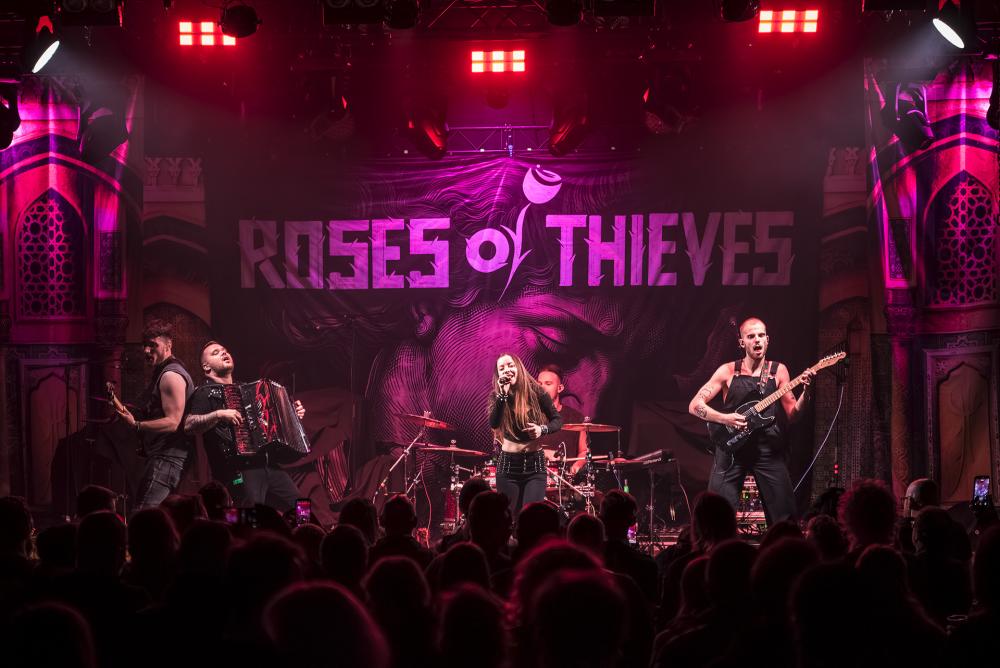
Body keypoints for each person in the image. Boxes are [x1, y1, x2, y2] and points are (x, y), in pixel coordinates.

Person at [688, 317, 814, 524]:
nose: (757, 340)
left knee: (785, 516)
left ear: (767, 340)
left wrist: (807, 392)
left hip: (767, 449)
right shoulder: (728, 370)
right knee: (715, 514)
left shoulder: (778, 371)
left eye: (761, 335)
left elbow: (793, 415)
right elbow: (695, 405)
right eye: (751, 336)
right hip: (731, 449)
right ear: (742, 342)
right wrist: (725, 418)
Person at [182, 341, 306, 512]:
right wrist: (218, 414)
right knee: (249, 518)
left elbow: (269, 421)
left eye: (225, 350)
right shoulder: (204, 392)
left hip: (267, 464)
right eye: (216, 353)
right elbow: (188, 425)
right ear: (206, 366)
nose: (224, 353)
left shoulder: (247, 389)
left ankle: (305, 530)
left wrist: (291, 414)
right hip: (239, 469)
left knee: (302, 509)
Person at [114, 320, 195, 511]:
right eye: (145, 345)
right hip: (166, 457)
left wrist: (136, 425)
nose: (146, 350)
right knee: (162, 518)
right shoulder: (163, 373)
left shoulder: (170, 376)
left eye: (153, 345)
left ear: (168, 345)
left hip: (167, 458)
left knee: (143, 516)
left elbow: (173, 422)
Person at [488, 353, 563, 516]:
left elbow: (557, 420)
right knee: (508, 517)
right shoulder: (497, 396)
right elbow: (494, 423)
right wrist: (503, 395)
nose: (507, 370)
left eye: (510, 365)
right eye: (502, 368)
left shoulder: (537, 392)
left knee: (531, 516)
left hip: (534, 466)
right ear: (498, 375)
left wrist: (542, 429)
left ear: (519, 368)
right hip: (508, 466)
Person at [534, 364, 589, 475]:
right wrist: (544, 453)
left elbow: (584, 451)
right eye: (539, 384)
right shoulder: (528, 416)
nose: (542, 388)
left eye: (548, 384)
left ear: (560, 388)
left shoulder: (575, 418)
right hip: (533, 478)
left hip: (564, 480)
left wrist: (577, 465)